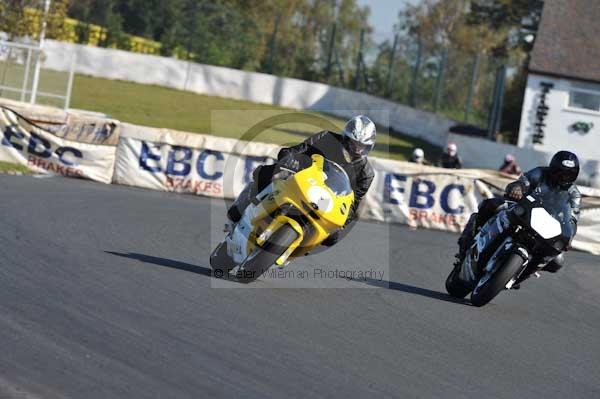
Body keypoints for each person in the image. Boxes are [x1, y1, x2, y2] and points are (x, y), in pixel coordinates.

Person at [227, 115, 376, 247]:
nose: (356, 150)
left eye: (362, 147)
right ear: (345, 137)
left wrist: (341, 223)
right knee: (268, 173)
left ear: (369, 148)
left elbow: (352, 204)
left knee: (333, 236)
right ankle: (245, 203)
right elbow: (299, 149)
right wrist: (289, 158)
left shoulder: (366, 174)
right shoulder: (326, 137)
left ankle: (296, 246)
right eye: (353, 143)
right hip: (302, 178)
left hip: (327, 200)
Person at [455, 151, 581, 277]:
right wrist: (518, 187)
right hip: (524, 208)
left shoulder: (574, 194)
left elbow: (573, 218)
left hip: (547, 225)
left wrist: (570, 236)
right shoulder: (540, 173)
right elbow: (524, 181)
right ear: (552, 168)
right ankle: (469, 239)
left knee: (558, 261)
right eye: (560, 172)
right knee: (490, 205)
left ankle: (521, 272)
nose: (563, 177)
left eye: (569, 174)